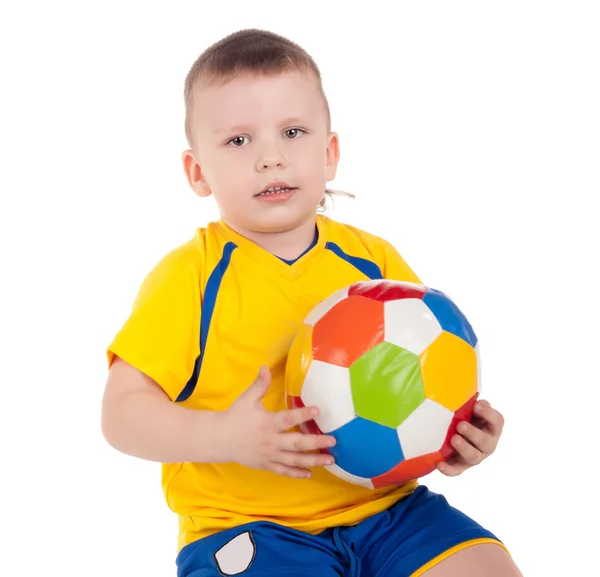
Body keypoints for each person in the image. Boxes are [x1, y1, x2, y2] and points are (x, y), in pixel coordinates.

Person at [101, 28, 522, 576]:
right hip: (249, 526)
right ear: (197, 172)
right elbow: (120, 415)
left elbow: (429, 377)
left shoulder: (373, 264)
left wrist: (454, 440)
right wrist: (226, 436)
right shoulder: (189, 278)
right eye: (238, 141)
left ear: (330, 154)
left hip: (389, 511)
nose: (270, 158)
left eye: (292, 132)